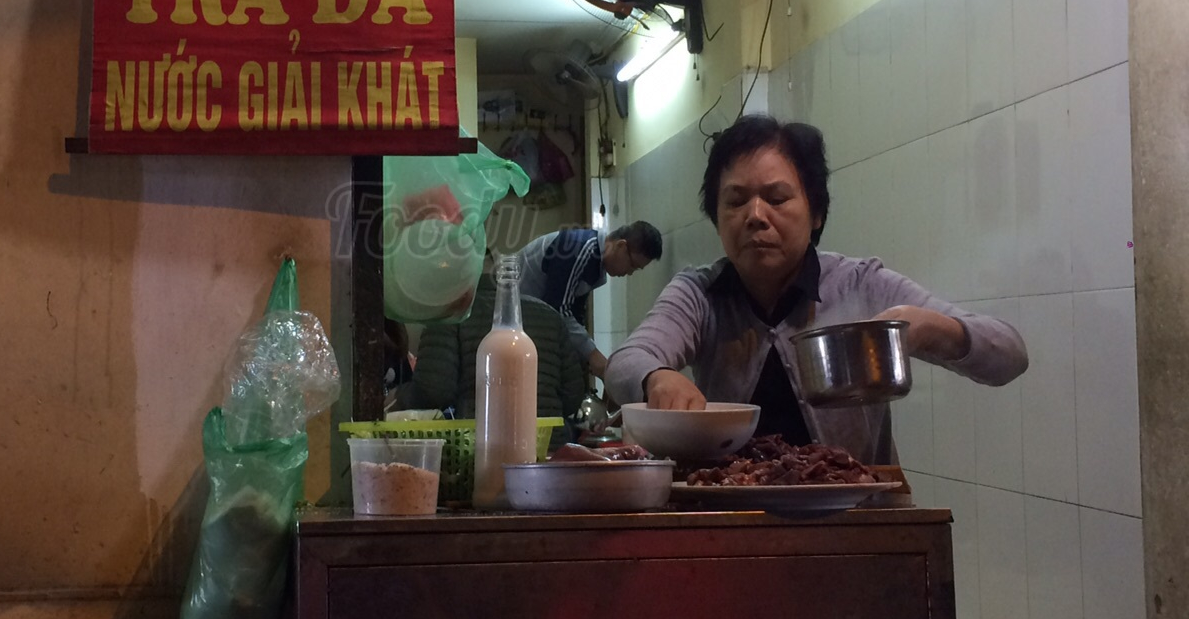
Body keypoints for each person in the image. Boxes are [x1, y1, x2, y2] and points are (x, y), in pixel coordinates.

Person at [605, 116, 1027, 463]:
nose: (755, 215)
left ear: (817, 212)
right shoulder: (699, 293)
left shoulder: (861, 284)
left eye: (777, 198)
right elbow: (626, 361)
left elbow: (1009, 354)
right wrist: (656, 376)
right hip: (733, 521)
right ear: (716, 217)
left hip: (855, 524)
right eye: (735, 201)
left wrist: (929, 328)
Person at [400, 275, 588, 421]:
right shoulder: (549, 314)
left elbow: (433, 391)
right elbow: (573, 396)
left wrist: (398, 396)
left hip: (479, 443)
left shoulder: (451, 315)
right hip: (550, 445)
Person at [515, 220, 663, 382]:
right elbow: (557, 308)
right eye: (633, 265)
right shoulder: (581, 249)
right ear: (621, 245)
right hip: (516, 313)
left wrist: (586, 356)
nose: (630, 272)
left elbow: (574, 312)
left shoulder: (595, 262)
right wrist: (593, 354)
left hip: (529, 317)